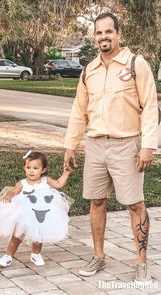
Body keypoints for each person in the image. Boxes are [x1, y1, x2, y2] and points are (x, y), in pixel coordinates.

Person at [64, 12, 158, 284]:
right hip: (95, 146)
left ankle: (141, 262)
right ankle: (98, 255)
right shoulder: (88, 70)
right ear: (94, 36)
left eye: (108, 32)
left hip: (127, 145)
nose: (103, 37)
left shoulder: (135, 64)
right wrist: (70, 144)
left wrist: (149, 145)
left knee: (135, 205)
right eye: (98, 33)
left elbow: (151, 107)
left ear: (118, 34)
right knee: (96, 201)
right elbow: (78, 111)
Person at [0, 151, 71, 267]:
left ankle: (36, 254)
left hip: (40, 214)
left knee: (38, 236)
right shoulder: (22, 183)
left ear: (43, 170)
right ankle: (8, 255)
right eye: (28, 167)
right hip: (23, 215)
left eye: (35, 168)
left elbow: (58, 184)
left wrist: (65, 174)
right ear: (24, 168)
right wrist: (9, 195)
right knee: (16, 236)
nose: (31, 171)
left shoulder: (46, 181)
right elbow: (13, 191)